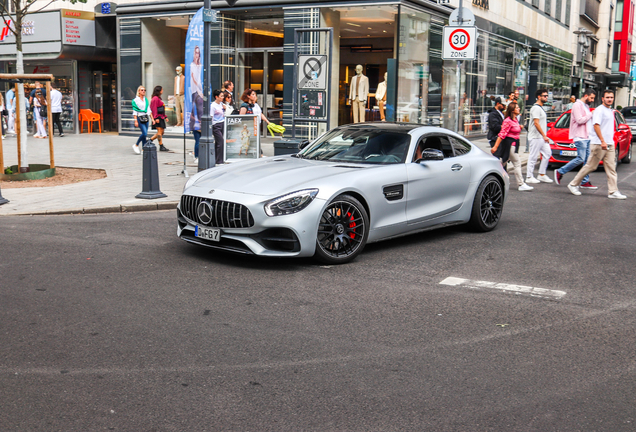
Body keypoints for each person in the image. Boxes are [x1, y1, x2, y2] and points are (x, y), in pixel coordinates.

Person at [567, 89, 626, 199]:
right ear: (603, 99)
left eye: (611, 97)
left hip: (609, 143)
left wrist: (609, 142)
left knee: (611, 168)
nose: (609, 99)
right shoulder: (600, 110)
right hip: (599, 143)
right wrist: (602, 141)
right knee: (590, 166)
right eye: (607, 97)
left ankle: (613, 191)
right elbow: (596, 125)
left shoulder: (610, 110)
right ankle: (573, 184)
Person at [554, 89, 596, 189]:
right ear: (586, 95)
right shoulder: (577, 105)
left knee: (587, 161)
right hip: (579, 137)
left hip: (587, 137)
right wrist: (591, 114)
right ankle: (560, 171)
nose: (592, 100)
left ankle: (584, 181)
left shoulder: (586, 106)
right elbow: (579, 120)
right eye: (591, 98)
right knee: (581, 158)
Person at [491, 102, 533, 192]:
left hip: (514, 144)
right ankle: (521, 184)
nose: (519, 109)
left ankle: (493, 178)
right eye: (517, 108)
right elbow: (501, 134)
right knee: (517, 163)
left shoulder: (515, 120)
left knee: (502, 163)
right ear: (512, 110)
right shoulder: (508, 121)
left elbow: (514, 130)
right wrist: (495, 147)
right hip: (510, 145)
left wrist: (519, 127)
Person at [525, 88, 553, 184]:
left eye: (547, 96)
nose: (546, 97)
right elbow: (536, 123)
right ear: (539, 97)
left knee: (547, 153)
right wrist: (544, 135)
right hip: (535, 137)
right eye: (545, 96)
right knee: (533, 157)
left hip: (540, 137)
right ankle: (529, 176)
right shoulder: (536, 108)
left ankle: (541, 174)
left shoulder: (540, 108)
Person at [132, 86, 153, 154]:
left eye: (144, 90)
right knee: (144, 133)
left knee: (145, 135)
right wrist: (135, 120)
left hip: (146, 117)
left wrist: (152, 119)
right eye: (142, 90)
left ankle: (144, 149)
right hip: (139, 118)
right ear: (139, 91)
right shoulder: (135, 100)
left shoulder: (146, 99)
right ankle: (136, 145)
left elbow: (148, 110)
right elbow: (135, 111)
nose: (143, 91)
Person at [149, 85, 170, 152]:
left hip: (160, 117)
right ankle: (161, 146)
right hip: (158, 117)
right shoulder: (155, 99)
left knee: (161, 132)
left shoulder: (158, 98)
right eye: (162, 89)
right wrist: (155, 118)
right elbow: (154, 109)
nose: (162, 91)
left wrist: (165, 116)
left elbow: (161, 109)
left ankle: (150, 140)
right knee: (160, 131)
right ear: (159, 91)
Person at [189, 45, 203, 132]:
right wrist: (198, 89)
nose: (197, 55)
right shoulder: (192, 64)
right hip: (194, 88)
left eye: (198, 53)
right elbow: (193, 77)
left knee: (199, 107)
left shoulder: (200, 64)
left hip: (200, 87)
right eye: (196, 53)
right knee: (194, 107)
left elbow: (199, 77)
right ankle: (192, 125)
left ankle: (199, 125)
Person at [210, 89, 225, 165]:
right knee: (220, 142)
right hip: (216, 125)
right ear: (216, 97)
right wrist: (212, 126)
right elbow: (211, 117)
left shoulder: (221, 104)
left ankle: (216, 159)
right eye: (221, 96)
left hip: (222, 123)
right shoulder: (213, 106)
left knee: (218, 143)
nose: (223, 97)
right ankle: (219, 161)